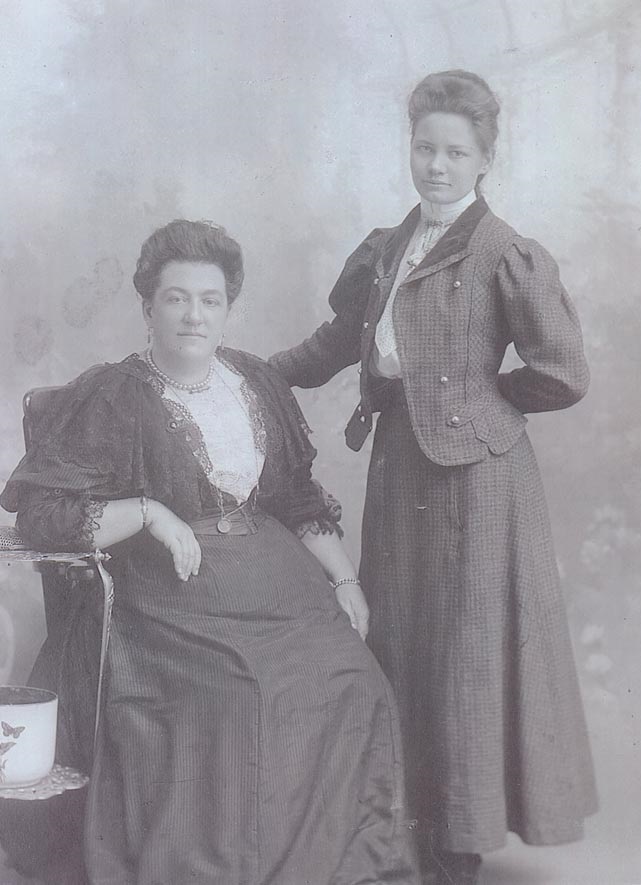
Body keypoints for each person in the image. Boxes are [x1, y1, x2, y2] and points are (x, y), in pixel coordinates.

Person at [0, 220, 419, 885]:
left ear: (227, 309)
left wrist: (343, 579)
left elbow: (297, 499)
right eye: (176, 297)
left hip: (276, 583)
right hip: (168, 594)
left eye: (210, 299)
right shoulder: (113, 395)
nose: (194, 313)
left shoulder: (256, 382)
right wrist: (149, 512)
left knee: (352, 679)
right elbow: (45, 514)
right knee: (237, 691)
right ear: (147, 308)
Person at [270, 70, 598, 885]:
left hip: (478, 486)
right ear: (409, 148)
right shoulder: (389, 245)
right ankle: (403, 830)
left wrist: (486, 405)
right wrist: (259, 374)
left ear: (486, 158)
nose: (437, 165)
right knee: (403, 642)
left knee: (464, 657)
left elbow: (562, 372)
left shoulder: (504, 253)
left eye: (456, 151)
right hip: (402, 472)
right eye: (425, 147)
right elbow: (340, 339)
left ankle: (457, 845)